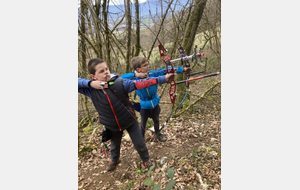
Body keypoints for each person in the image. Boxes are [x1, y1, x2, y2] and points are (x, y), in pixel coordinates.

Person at [78, 58, 176, 171]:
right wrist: (91, 83)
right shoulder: (91, 90)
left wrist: (163, 78)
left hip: (129, 120)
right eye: (101, 71)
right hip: (112, 124)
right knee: (114, 146)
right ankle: (114, 160)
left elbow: (140, 83)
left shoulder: (120, 83)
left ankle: (146, 160)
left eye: (107, 69)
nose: (106, 72)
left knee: (139, 143)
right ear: (93, 76)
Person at [121, 56, 191, 142]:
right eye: (145, 65)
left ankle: (158, 134)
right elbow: (122, 77)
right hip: (144, 105)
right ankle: (141, 137)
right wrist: (137, 75)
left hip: (155, 103)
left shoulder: (152, 74)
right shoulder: (134, 78)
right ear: (138, 69)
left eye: (147, 64)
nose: (148, 66)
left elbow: (166, 70)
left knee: (156, 120)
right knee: (143, 123)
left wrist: (183, 69)